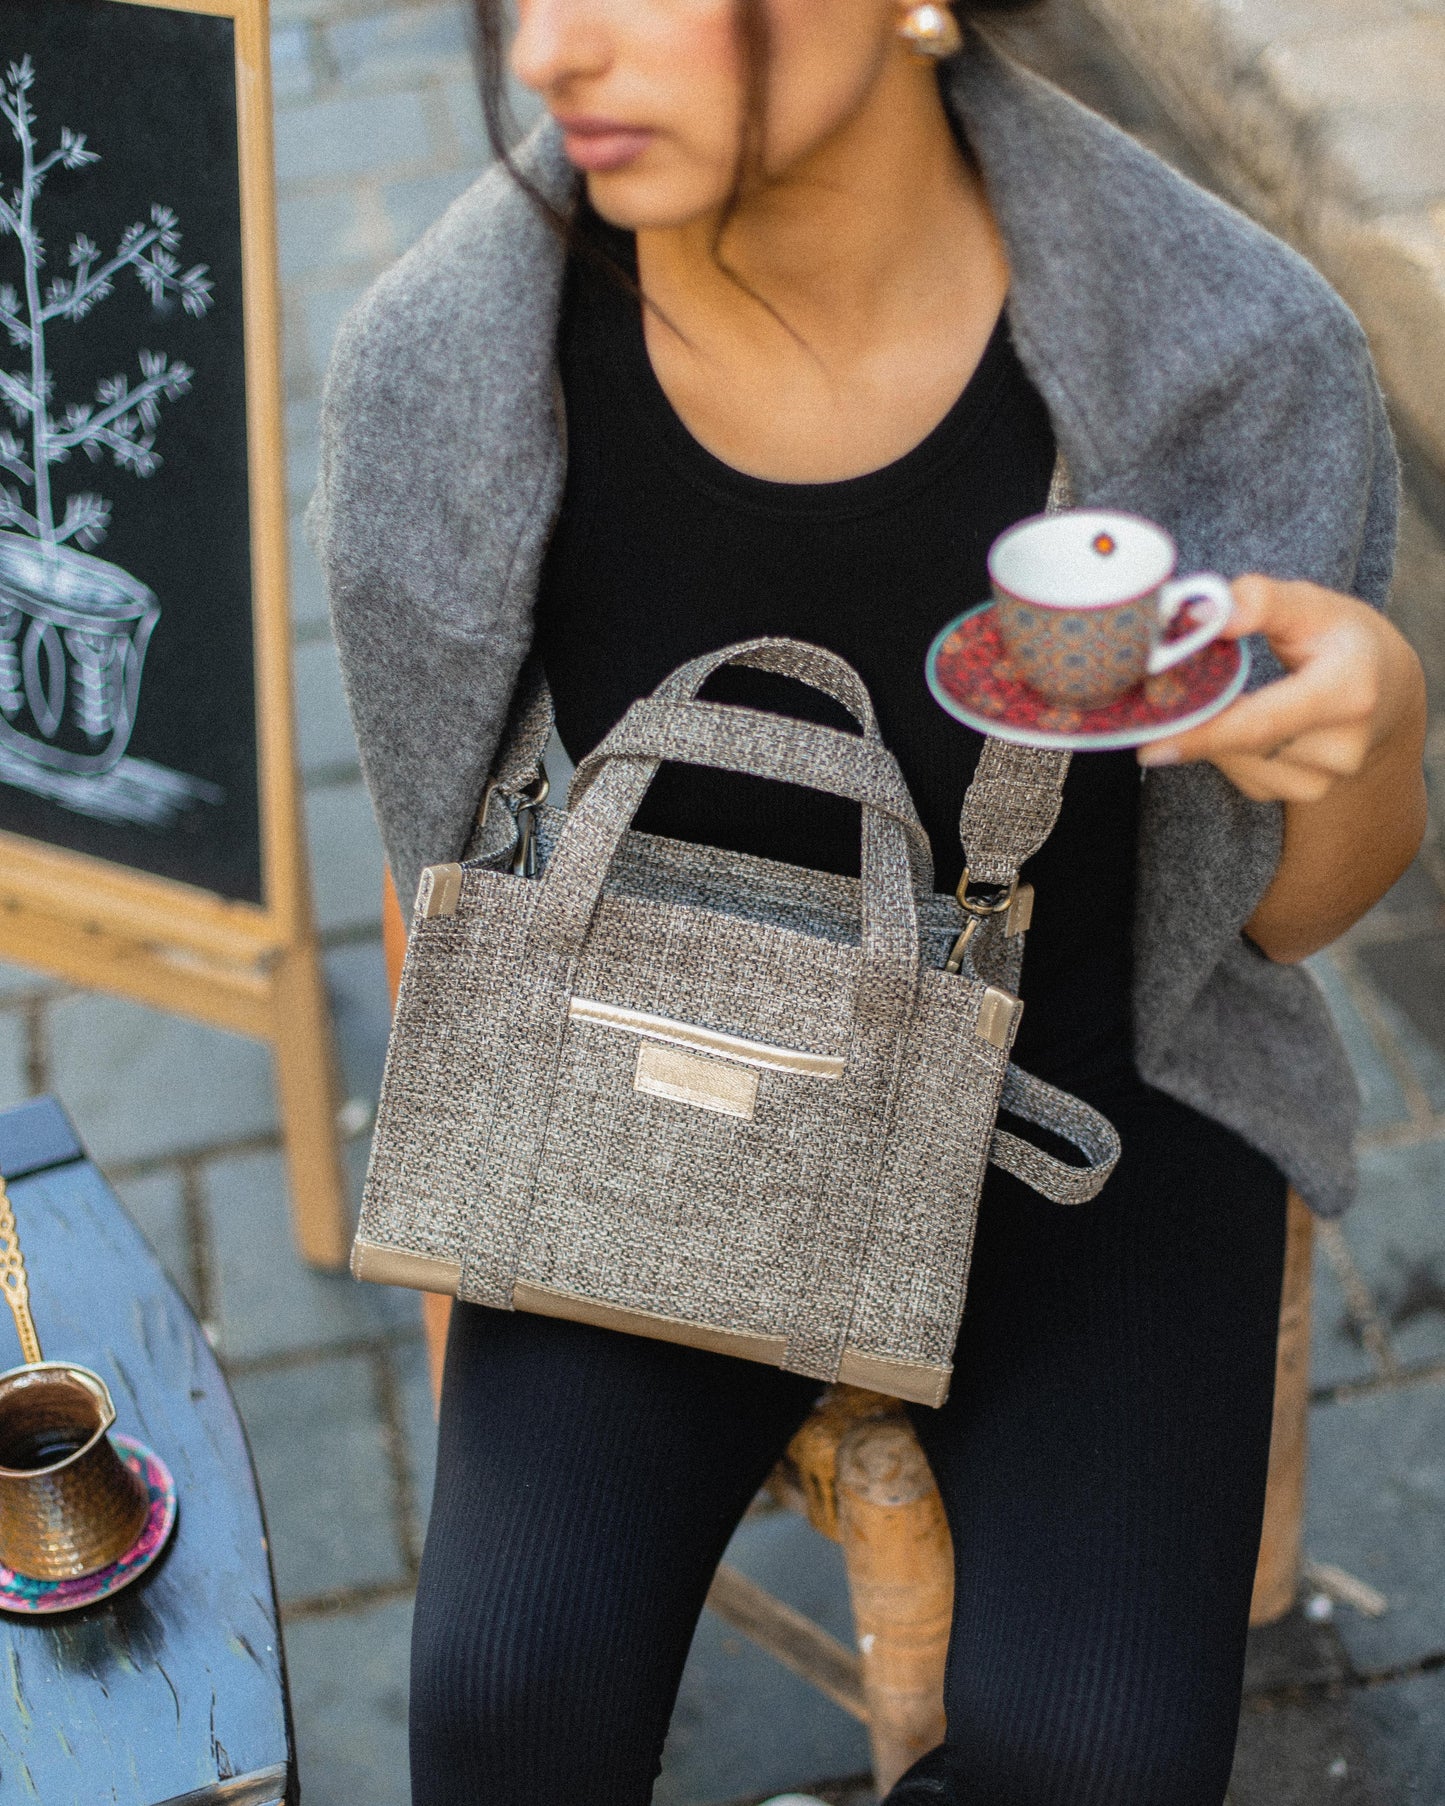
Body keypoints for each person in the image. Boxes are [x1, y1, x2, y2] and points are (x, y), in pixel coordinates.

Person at [311, 2, 1428, 1801]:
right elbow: (447, 871)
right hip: (646, 1083)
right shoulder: (453, 365)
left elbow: (1282, 929)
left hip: (1086, 1125)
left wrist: (1380, 734)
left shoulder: (1222, 362)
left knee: (1101, 1759)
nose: (547, 52)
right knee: (506, 1703)